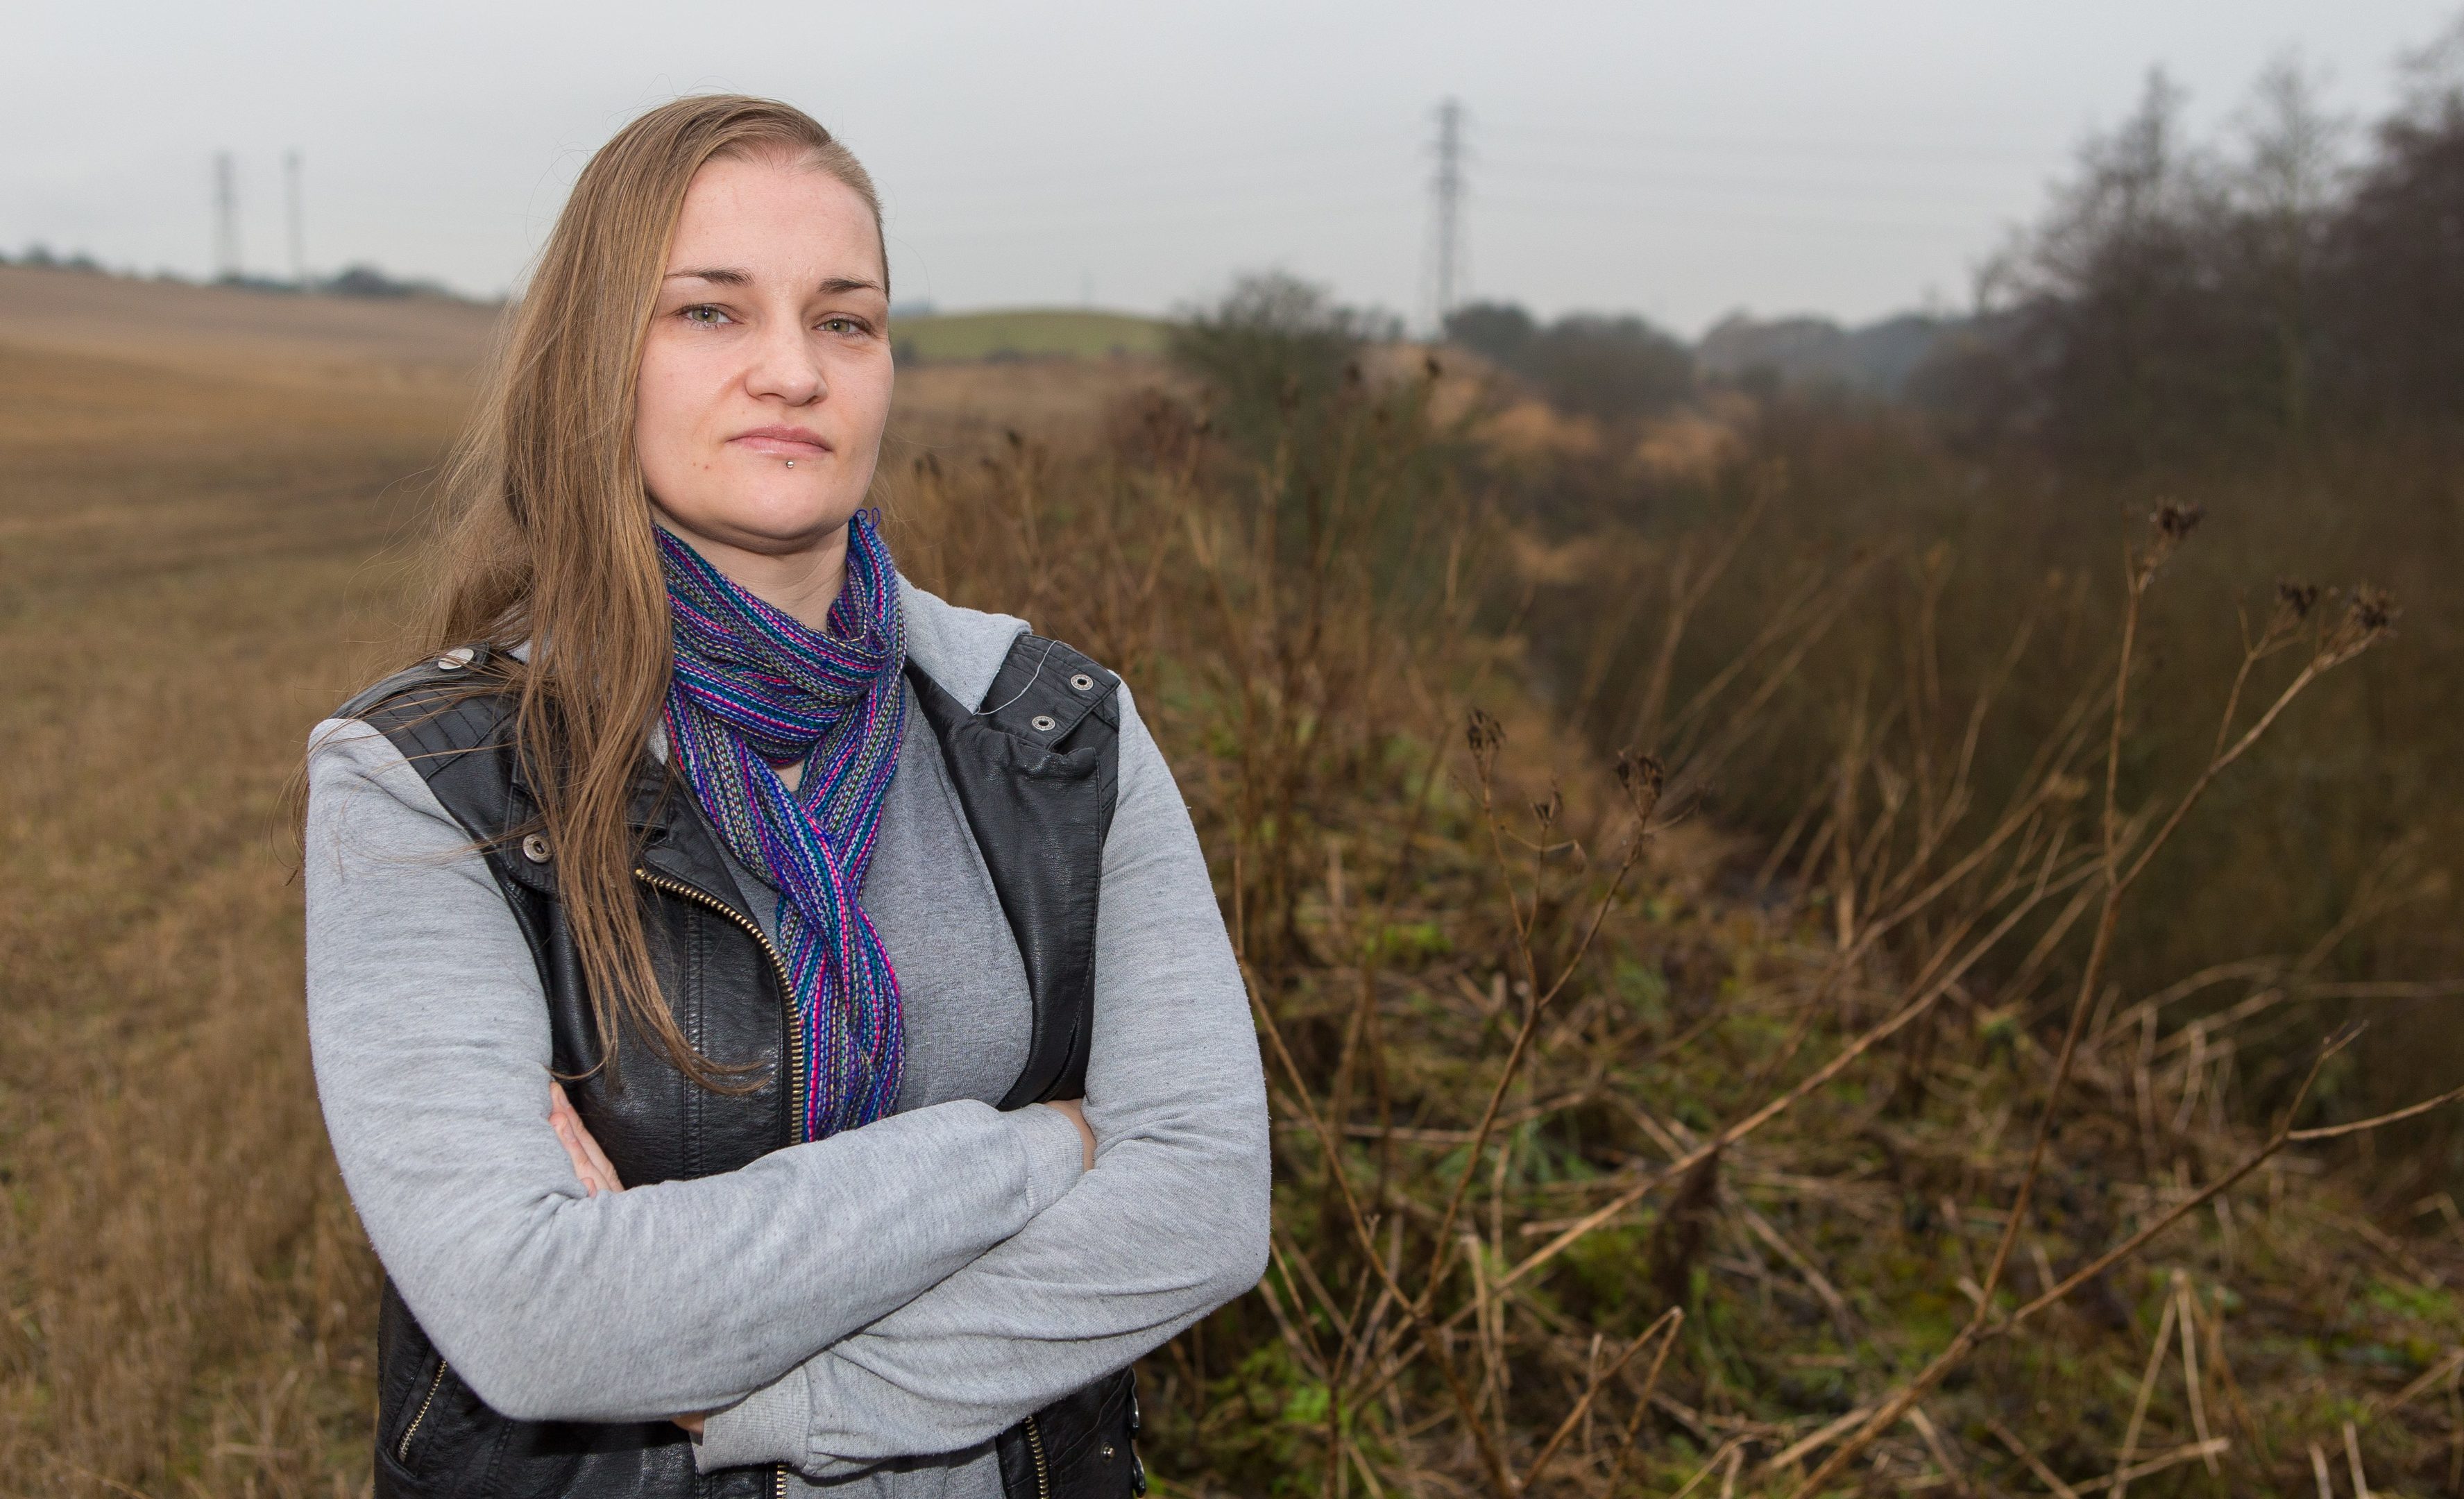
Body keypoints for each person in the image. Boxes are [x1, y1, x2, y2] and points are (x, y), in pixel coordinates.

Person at [300, 95, 1270, 1499]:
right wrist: (1038, 1149)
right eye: (710, 312)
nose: (793, 371)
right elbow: (532, 1316)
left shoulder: (1053, 732)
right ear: (594, 361)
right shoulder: (429, 780)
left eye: (845, 319)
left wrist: (780, 1395)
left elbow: (1204, 1206)